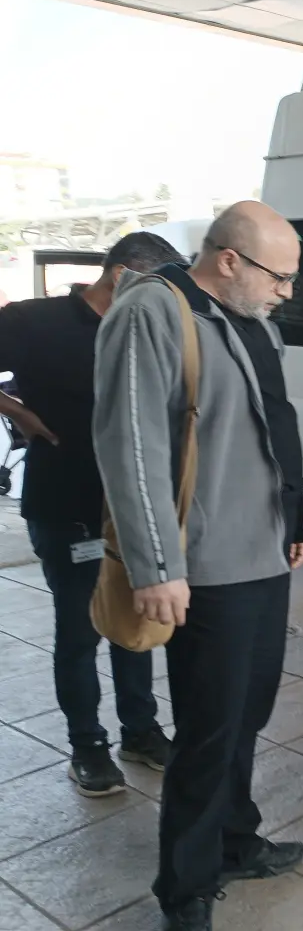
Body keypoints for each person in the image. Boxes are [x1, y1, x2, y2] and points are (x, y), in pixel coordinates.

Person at [93, 202, 303, 931]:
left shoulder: (252, 319)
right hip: (205, 565)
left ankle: (235, 840)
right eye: (278, 277)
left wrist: (295, 518)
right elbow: (131, 445)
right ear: (228, 260)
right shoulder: (152, 312)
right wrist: (156, 565)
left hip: (265, 553)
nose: (286, 292)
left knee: (248, 714)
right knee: (210, 728)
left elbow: (271, 424)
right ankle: (185, 884)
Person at [0, 232, 186, 797]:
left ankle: (141, 731)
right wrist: (17, 413)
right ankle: (88, 747)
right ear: (122, 274)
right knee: (81, 630)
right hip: (66, 502)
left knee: (134, 621)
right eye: (157, 284)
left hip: (134, 507)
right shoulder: (35, 321)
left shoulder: (148, 326)